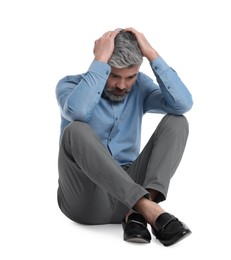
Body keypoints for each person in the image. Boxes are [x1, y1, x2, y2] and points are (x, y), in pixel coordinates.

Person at [55, 27, 193, 246]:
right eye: (113, 75)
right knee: (75, 130)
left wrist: (152, 55)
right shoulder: (69, 86)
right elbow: (78, 112)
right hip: (85, 201)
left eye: (130, 77)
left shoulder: (140, 87)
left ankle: (138, 213)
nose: (122, 85)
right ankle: (149, 209)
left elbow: (182, 104)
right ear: (101, 66)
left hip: (127, 199)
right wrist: (100, 58)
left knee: (177, 122)